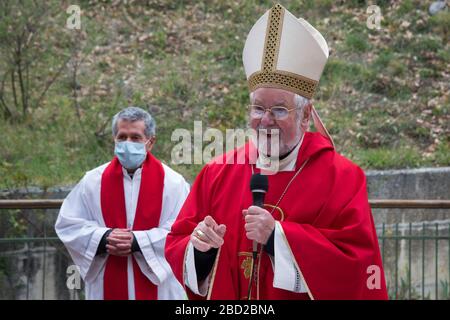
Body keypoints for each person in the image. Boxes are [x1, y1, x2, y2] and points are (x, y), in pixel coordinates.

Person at [165, 4, 388, 300]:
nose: (265, 120)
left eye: (279, 109)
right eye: (258, 108)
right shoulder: (217, 173)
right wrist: (201, 251)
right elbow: (177, 242)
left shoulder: (343, 178)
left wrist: (278, 238)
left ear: (305, 115)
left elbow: (357, 266)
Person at [55, 106, 189, 300]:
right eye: (122, 137)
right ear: (114, 140)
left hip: (160, 290)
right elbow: (68, 224)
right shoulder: (92, 181)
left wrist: (137, 242)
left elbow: (183, 231)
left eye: (135, 138)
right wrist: (103, 238)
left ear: (150, 142)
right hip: (106, 282)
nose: (127, 143)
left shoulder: (174, 183)